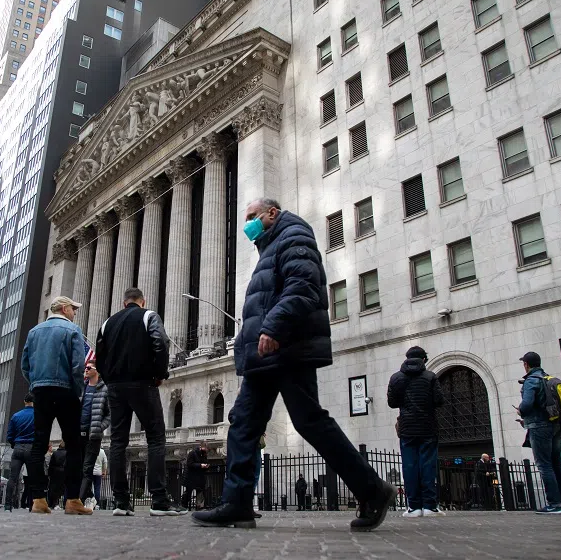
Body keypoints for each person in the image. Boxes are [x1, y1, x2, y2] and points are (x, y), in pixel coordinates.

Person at [191, 199, 395, 531]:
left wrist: (274, 327)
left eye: (252, 218)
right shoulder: (272, 244)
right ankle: (237, 503)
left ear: (271, 213)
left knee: (309, 421)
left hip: (287, 347)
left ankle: (373, 490)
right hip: (266, 354)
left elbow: (304, 287)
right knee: (243, 423)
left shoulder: (294, 235)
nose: (247, 225)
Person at [96, 287, 185, 517]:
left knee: (117, 442)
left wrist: (109, 380)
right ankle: (159, 501)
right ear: (141, 301)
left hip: (115, 388)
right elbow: (161, 343)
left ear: (124, 302)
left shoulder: (107, 323)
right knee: (156, 437)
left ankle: (121, 502)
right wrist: (159, 373)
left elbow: (100, 356)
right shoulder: (148, 316)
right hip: (143, 383)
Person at [20, 295, 90, 515]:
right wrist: (77, 390)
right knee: (73, 445)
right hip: (66, 391)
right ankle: (72, 500)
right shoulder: (72, 330)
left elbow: (25, 365)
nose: (74, 312)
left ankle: (38, 499)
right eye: (72, 308)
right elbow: (78, 364)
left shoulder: (34, 332)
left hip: (41, 391)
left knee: (39, 443)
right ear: (63, 308)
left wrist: (36, 384)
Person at [387, 346, 446, 517]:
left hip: (407, 428)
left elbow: (392, 402)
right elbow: (439, 400)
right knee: (427, 466)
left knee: (409, 466)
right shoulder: (430, 377)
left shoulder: (396, 378)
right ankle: (429, 505)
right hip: (428, 427)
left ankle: (413, 506)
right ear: (424, 360)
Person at [517, 351, 561, 514]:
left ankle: (554, 504)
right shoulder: (548, 379)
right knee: (556, 463)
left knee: (544, 464)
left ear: (526, 364)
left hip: (539, 426)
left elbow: (527, 404)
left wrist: (521, 411)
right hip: (555, 425)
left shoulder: (531, 381)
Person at [79, 361, 110, 510]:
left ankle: (79, 501)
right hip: (78, 434)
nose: (85, 369)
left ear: (96, 371)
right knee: (77, 467)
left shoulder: (105, 389)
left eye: (88, 368)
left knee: (86, 468)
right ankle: (90, 496)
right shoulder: (82, 388)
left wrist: (98, 427)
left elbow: (110, 415)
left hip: (93, 436)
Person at [5, 392, 35, 511]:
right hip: (31, 448)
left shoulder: (16, 416)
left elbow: (9, 435)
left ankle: (8, 505)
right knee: (32, 479)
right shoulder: (37, 415)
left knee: (12, 478)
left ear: (24, 402)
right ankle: (32, 505)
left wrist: (14, 444)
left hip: (17, 448)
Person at [181, 442, 209, 510]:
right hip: (191, 476)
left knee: (200, 491)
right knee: (188, 492)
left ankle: (199, 506)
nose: (205, 449)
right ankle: (184, 506)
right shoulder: (192, 453)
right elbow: (189, 464)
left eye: (206, 448)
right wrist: (200, 465)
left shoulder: (204, 454)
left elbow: (205, 462)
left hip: (200, 477)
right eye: (204, 448)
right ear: (200, 447)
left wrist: (206, 466)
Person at [48, 441, 67, 509]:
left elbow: (51, 464)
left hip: (55, 472)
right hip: (64, 472)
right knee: (64, 488)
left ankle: (55, 503)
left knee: (55, 488)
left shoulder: (55, 453)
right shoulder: (67, 453)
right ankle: (65, 503)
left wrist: (49, 473)